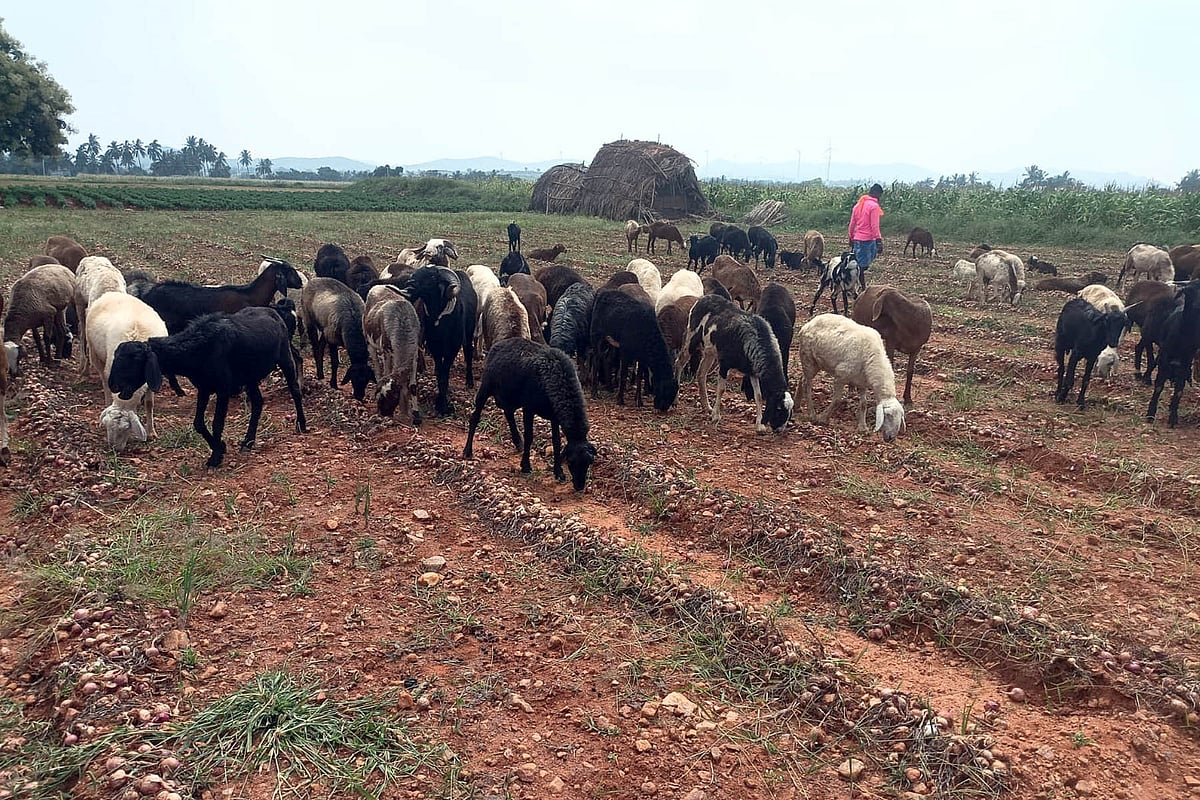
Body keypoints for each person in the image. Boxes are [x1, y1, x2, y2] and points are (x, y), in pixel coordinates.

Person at [848, 183, 885, 279]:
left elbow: (852, 224)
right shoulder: (874, 206)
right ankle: (861, 285)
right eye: (880, 195)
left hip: (857, 239)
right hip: (867, 240)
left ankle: (855, 282)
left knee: (857, 262)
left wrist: (851, 237)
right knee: (862, 266)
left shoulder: (858, 205)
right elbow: (874, 225)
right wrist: (879, 240)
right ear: (877, 193)